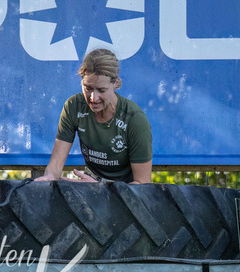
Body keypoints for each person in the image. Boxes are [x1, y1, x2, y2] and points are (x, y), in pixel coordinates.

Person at [35, 48, 152, 184]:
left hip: (125, 193)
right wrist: (49, 178)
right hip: (90, 187)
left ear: (115, 83)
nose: (93, 98)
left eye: (101, 90)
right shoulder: (73, 106)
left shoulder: (135, 119)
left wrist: (99, 187)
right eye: (88, 88)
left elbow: (142, 185)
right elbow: (55, 165)